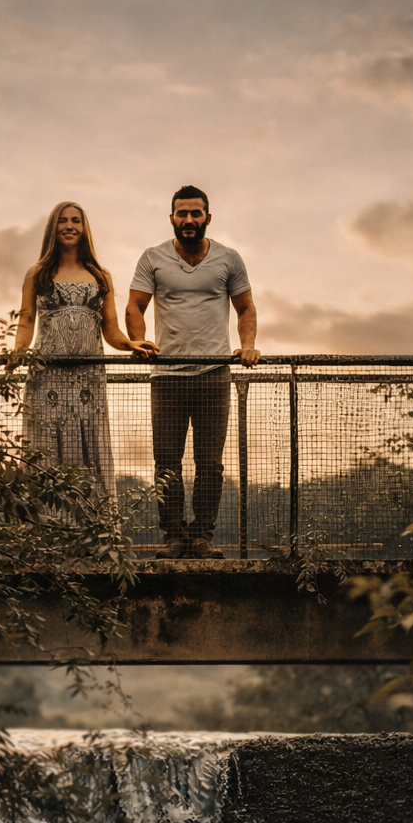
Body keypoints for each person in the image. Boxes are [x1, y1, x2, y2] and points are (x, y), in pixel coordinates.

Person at [126, 185, 259, 559]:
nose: (188, 220)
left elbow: (246, 308)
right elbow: (134, 306)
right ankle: (173, 537)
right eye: (181, 214)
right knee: (166, 460)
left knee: (209, 463)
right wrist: (140, 342)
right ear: (171, 218)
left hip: (214, 374)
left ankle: (201, 537)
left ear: (207, 218)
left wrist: (247, 346)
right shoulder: (152, 258)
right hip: (167, 376)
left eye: (195, 214)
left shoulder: (228, 259)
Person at [10, 201, 151, 500]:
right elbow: (26, 321)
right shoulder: (37, 273)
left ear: (85, 228)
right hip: (47, 379)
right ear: (52, 228)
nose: (70, 226)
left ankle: (93, 531)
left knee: (90, 448)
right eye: (63, 221)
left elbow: (111, 328)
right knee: (46, 447)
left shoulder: (101, 276)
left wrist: (130, 344)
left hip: (88, 380)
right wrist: (17, 352)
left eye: (76, 220)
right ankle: (48, 531)